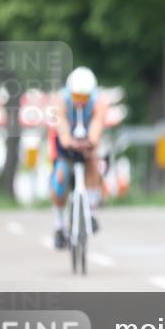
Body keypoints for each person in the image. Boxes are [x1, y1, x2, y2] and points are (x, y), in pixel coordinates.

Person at [49, 66, 108, 249]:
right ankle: (59, 225)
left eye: (85, 98)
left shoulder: (100, 101)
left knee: (94, 162)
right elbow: (62, 125)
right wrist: (68, 141)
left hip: (87, 138)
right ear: (70, 93)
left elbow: (97, 123)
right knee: (60, 176)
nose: (80, 102)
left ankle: (91, 209)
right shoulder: (61, 100)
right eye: (77, 97)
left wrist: (91, 141)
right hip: (67, 141)